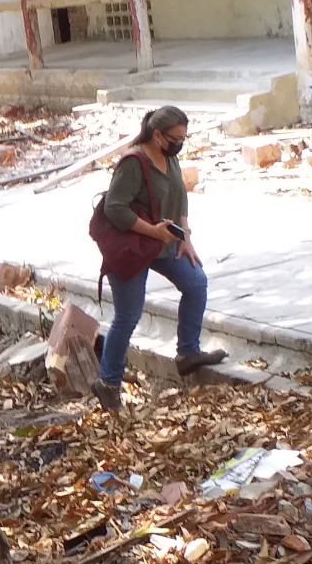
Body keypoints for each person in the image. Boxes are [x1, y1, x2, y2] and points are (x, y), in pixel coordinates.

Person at [92, 105, 227, 412]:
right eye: (176, 137)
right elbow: (115, 208)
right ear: (157, 135)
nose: (181, 143)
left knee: (196, 282)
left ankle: (188, 353)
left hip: (164, 242)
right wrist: (153, 231)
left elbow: (180, 197)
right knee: (128, 316)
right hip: (133, 246)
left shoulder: (170, 157)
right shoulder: (134, 162)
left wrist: (186, 239)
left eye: (184, 137)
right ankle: (108, 382)